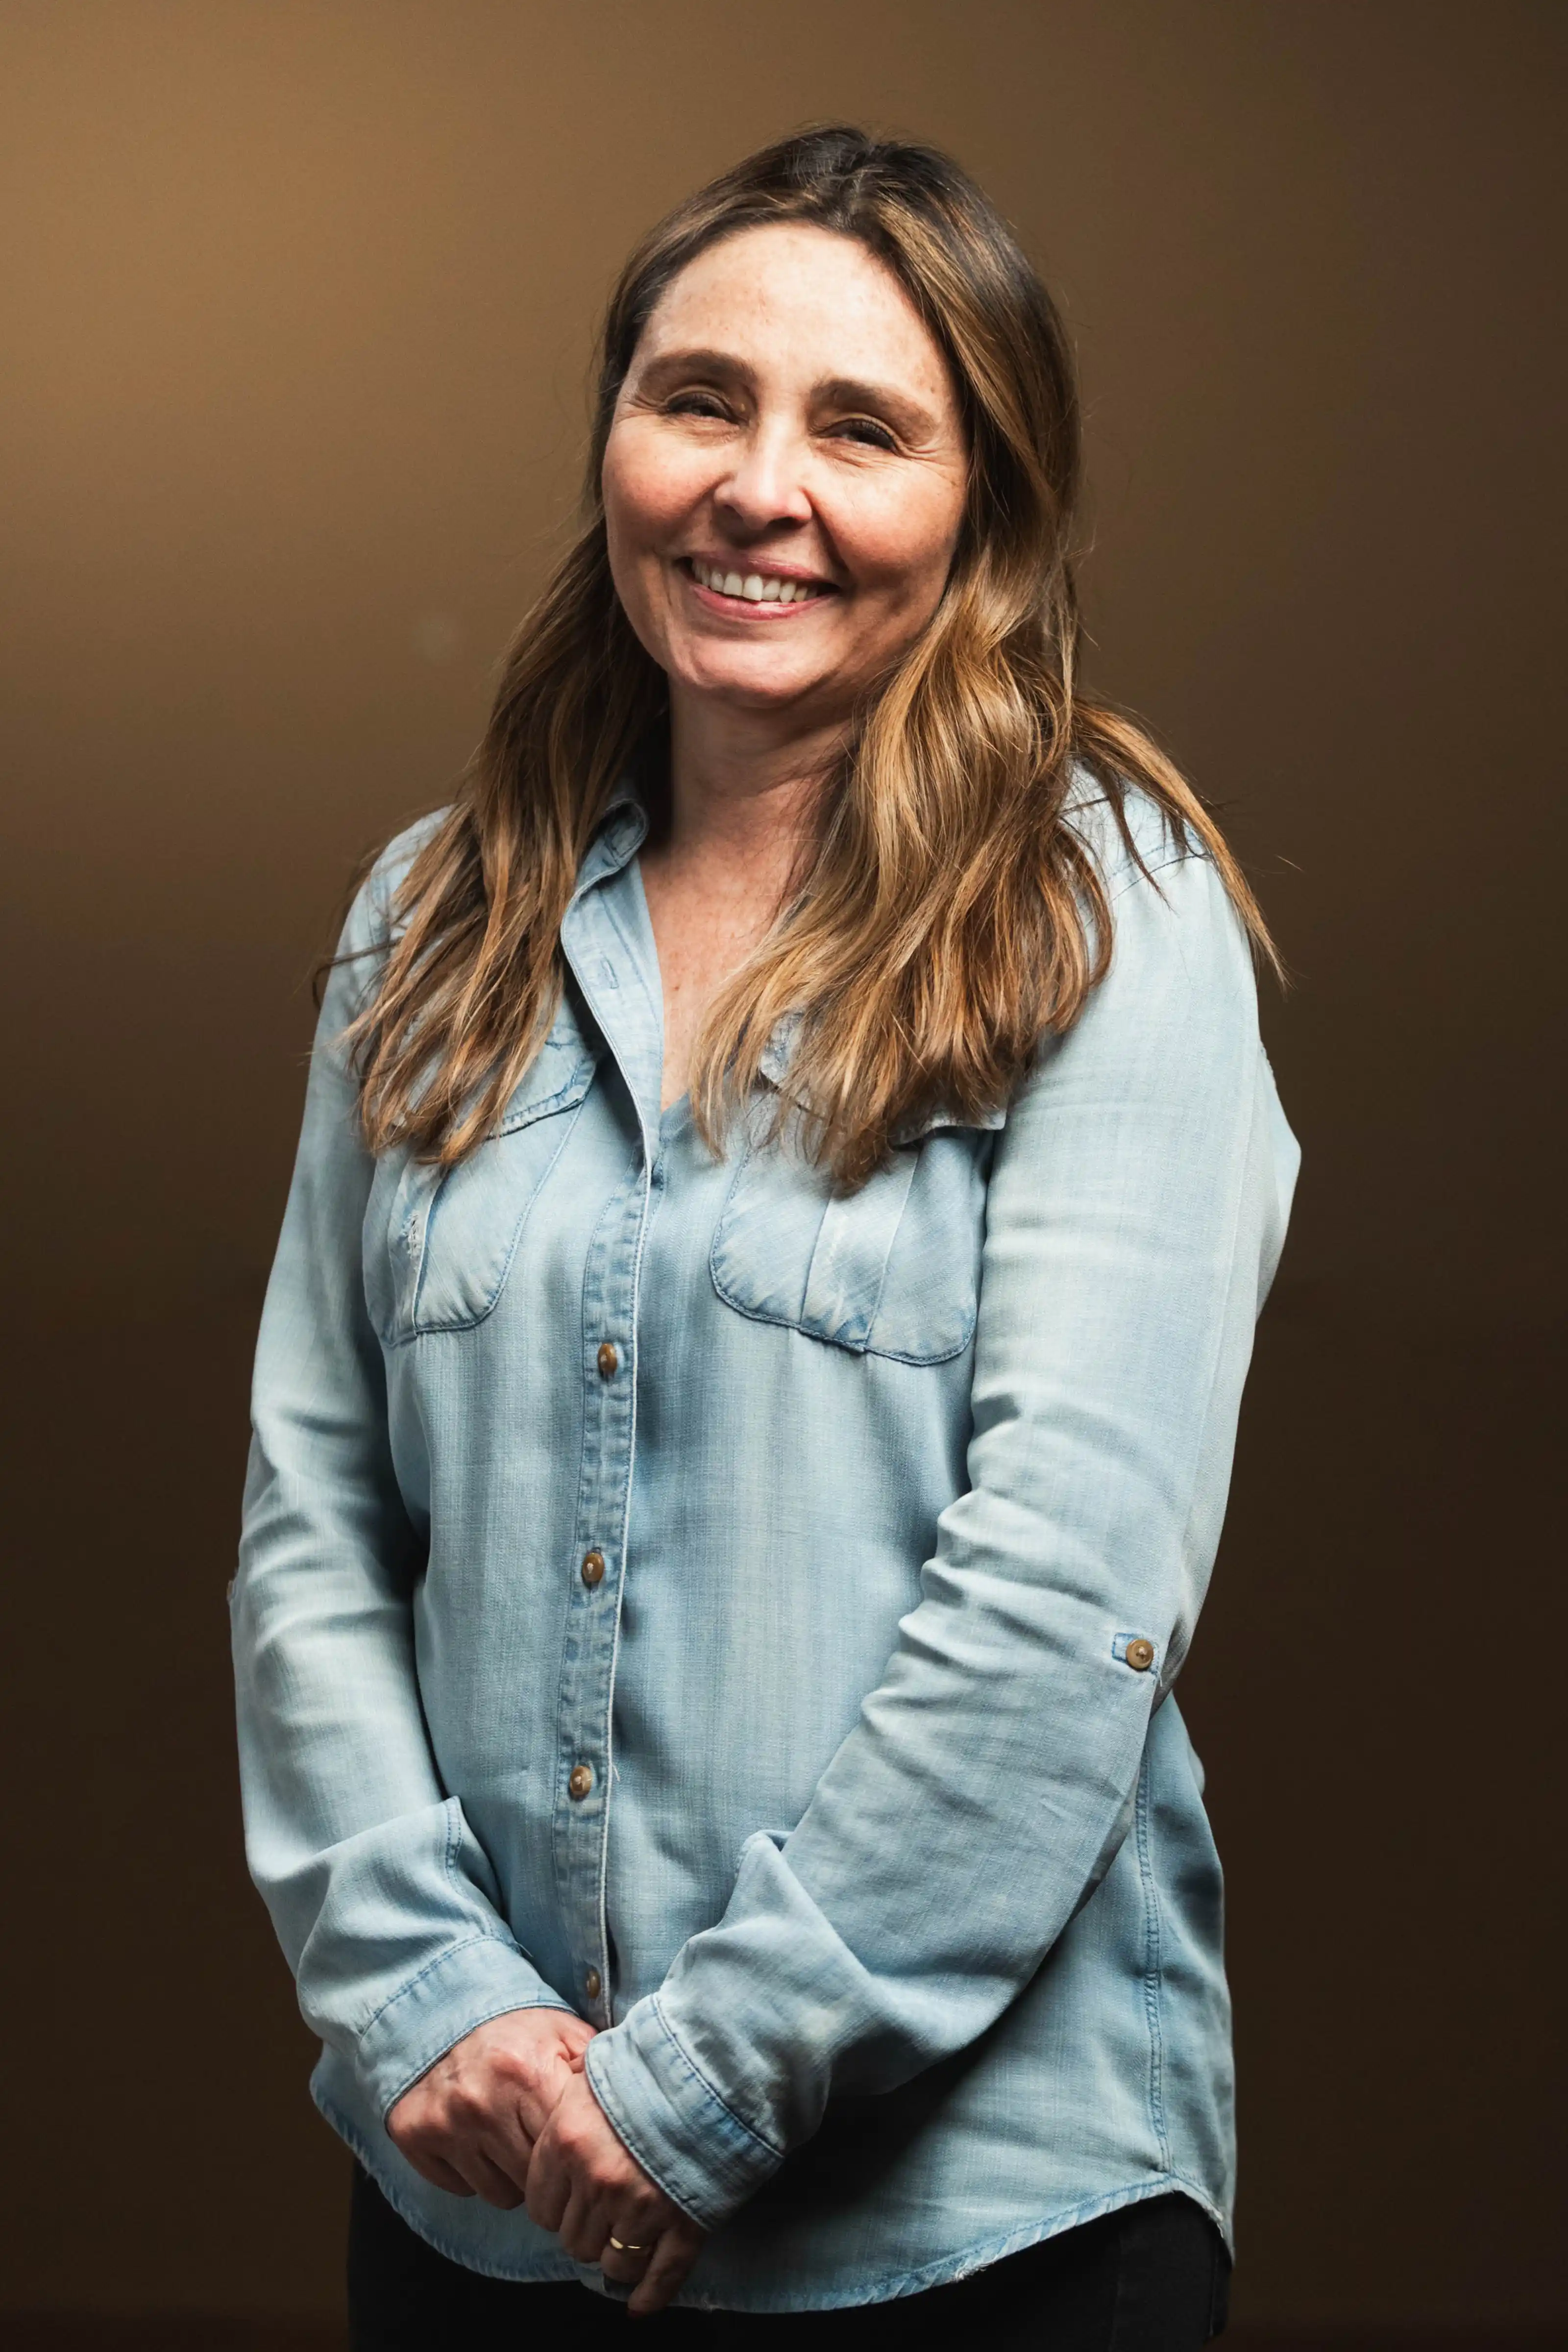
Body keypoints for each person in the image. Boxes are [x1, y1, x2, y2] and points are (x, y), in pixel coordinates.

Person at [231, 124, 1298, 2348]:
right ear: (614, 433)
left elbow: (1068, 1582)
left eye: (862, 427)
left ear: (981, 507)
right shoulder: (428, 923)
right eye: (699, 397)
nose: (758, 485)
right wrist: (425, 2001)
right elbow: (314, 1523)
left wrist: (700, 2084)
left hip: (984, 2232)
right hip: (483, 2199)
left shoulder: (1108, 914)